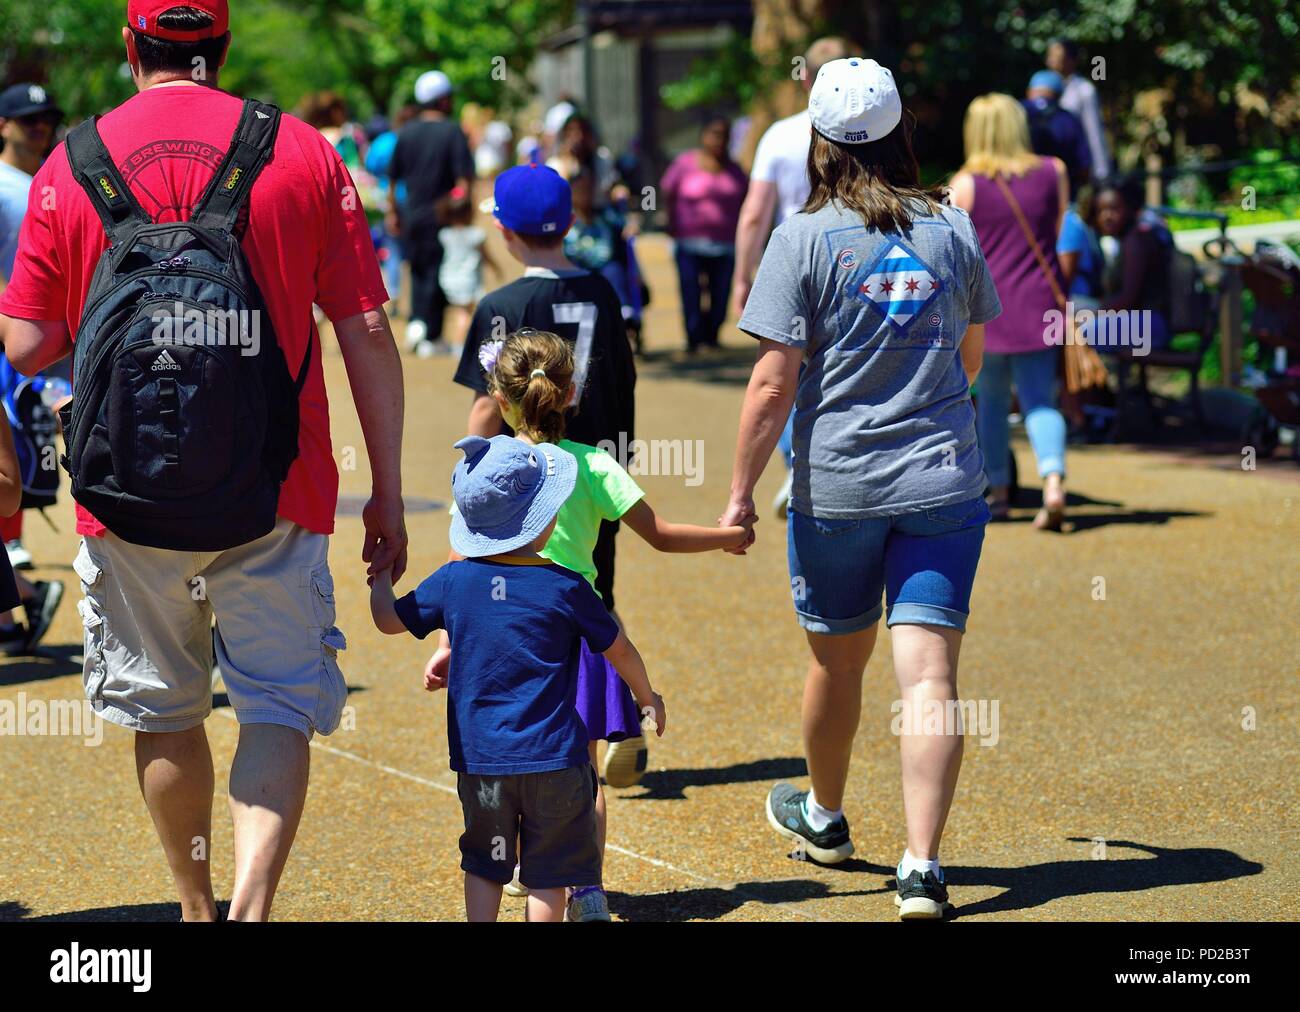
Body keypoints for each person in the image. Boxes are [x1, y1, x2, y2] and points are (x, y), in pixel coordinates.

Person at [0, 0, 407, 922]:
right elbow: (368, 329)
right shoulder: (302, 151)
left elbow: (25, 345)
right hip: (279, 482)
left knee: (165, 709)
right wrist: (384, 490)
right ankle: (251, 911)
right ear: (218, 47)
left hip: (124, 489)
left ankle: (192, 906)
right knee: (272, 702)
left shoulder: (72, 161)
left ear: (129, 45)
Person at [721, 58, 1001, 920]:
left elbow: (773, 384)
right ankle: (922, 867)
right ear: (898, 133)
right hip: (942, 482)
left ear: (819, 140)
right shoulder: (951, 226)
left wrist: (739, 493)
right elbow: (972, 357)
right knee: (930, 676)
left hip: (839, 485)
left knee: (838, 662)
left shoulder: (802, 239)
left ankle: (827, 817)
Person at [432, 328, 748, 919]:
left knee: (509, 762)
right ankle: (587, 889)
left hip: (502, 637)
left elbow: (460, 558)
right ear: (571, 393)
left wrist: (450, 641)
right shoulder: (594, 464)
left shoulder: (486, 464)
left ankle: (523, 869)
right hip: (579, 635)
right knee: (578, 774)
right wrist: (729, 536)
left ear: (500, 400)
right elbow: (661, 535)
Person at [370, 433, 665, 923]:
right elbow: (620, 648)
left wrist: (381, 573)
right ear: (544, 519)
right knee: (547, 874)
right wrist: (647, 696)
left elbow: (386, 619)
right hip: (556, 759)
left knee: (486, 865)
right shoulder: (568, 587)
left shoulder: (453, 582)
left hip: (482, 759)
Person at [730, 35, 851, 518]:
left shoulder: (779, 135)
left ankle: (798, 459)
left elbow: (755, 214)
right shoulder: (876, 133)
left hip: (791, 270)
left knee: (779, 375)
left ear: (804, 77)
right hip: (852, 263)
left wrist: (742, 275)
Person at [950, 93, 1071, 530]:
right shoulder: (1053, 172)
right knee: (1041, 401)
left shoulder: (964, 185)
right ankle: (1053, 482)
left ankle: (998, 493)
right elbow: (1057, 236)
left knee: (992, 404)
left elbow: (955, 254)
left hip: (987, 311)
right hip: (1040, 306)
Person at [0, 80, 66, 645]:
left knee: (30, 469)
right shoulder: (1, 186)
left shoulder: (54, 178)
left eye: (46, 118)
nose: (38, 126)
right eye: (28, 120)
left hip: (51, 352)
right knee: (14, 463)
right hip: (12, 346)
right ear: (4, 125)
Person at [389, 69, 474, 356]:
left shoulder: (407, 131)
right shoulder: (452, 131)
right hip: (443, 218)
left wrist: (393, 213)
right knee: (439, 272)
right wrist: (462, 207)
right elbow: (463, 181)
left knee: (418, 269)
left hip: (412, 215)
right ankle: (431, 334)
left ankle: (417, 325)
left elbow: (392, 179)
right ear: (441, 100)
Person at [661, 117, 749, 353]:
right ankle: (693, 337)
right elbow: (668, 194)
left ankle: (711, 336)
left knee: (720, 293)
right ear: (703, 136)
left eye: (724, 134)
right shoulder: (684, 164)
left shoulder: (736, 171)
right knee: (690, 291)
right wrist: (670, 224)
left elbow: (747, 203)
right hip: (688, 243)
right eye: (714, 133)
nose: (718, 140)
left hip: (725, 245)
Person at [1084, 176, 1172, 352]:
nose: (1106, 216)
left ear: (1130, 208)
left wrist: (1089, 313)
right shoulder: (1127, 240)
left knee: (1076, 334)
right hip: (1138, 322)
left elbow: (1127, 299)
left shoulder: (1136, 241)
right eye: (1100, 210)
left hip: (1150, 325)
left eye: (1114, 209)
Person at [563, 166, 639, 333]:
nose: (585, 194)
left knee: (614, 271)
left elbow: (625, 223)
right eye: (580, 190)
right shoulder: (565, 218)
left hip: (605, 264)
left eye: (588, 189)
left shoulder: (604, 215)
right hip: (578, 265)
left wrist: (631, 225)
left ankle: (624, 309)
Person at [437, 185, 500, 356]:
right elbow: (486, 255)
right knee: (466, 314)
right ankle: (460, 346)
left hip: (449, 277)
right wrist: (496, 268)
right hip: (467, 278)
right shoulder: (475, 234)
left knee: (462, 311)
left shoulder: (444, 234)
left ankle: (462, 342)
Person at [365, 104, 418, 305]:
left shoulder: (383, 142)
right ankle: (413, 299)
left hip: (386, 199)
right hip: (414, 200)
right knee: (413, 251)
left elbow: (370, 167)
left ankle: (394, 295)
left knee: (391, 250)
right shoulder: (416, 142)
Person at [1046, 39, 1110, 181]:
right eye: (1049, 57)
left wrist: (1101, 172)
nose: (1051, 62)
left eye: (1056, 57)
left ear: (1071, 61)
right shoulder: (1045, 89)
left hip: (1076, 169)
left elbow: (1094, 132)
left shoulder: (1084, 90)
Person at [1022, 70, 1091, 195]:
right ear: (1060, 95)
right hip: (1062, 195)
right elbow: (1084, 167)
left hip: (1019, 193)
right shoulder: (1069, 120)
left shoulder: (1015, 114)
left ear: (1029, 91)